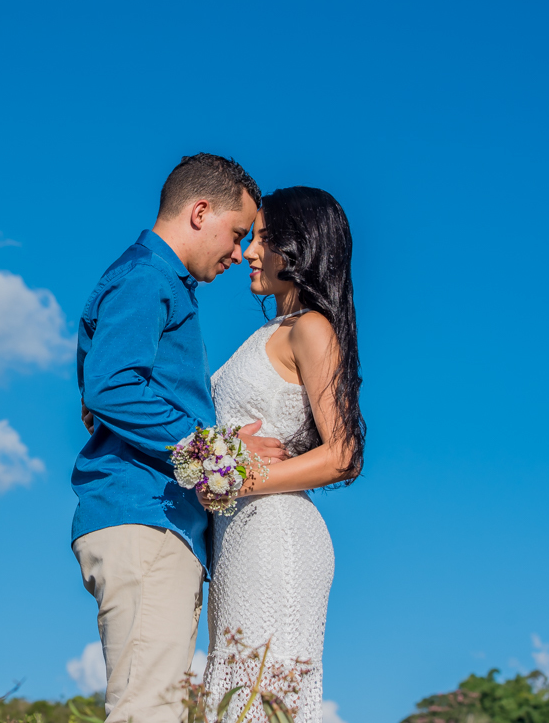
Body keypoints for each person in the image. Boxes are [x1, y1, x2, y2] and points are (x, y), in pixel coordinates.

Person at [71, 153, 287, 723]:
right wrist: (219, 451)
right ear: (199, 212)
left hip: (156, 521)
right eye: (237, 233)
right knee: (149, 712)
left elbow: (98, 389)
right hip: (145, 518)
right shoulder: (146, 277)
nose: (239, 252)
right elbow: (110, 388)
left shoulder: (147, 280)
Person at [200, 186, 365, 723]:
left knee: (260, 695)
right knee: (234, 698)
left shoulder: (312, 329)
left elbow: (344, 454)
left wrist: (240, 480)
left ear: (299, 248)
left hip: (276, 535)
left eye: (264, 239)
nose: (249, 251)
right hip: (238, 537)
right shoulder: (269, 332)